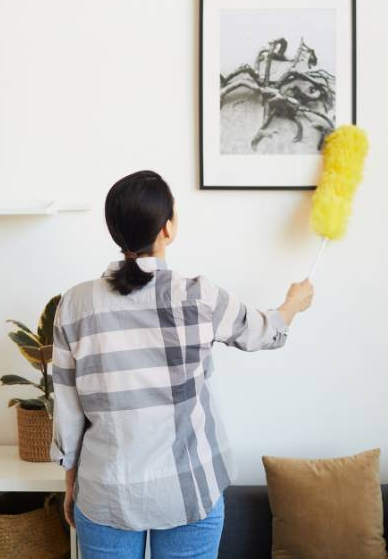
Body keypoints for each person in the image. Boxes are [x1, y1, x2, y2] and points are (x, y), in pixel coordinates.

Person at [50, 170, 314, 559]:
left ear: (116, 232)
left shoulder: (74, 305)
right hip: (190, 489)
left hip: (106, 490)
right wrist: (294, 303)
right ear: (167, 229)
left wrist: (71, 482)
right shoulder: (198, 297)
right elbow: (264, 333)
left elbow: (68, 411)